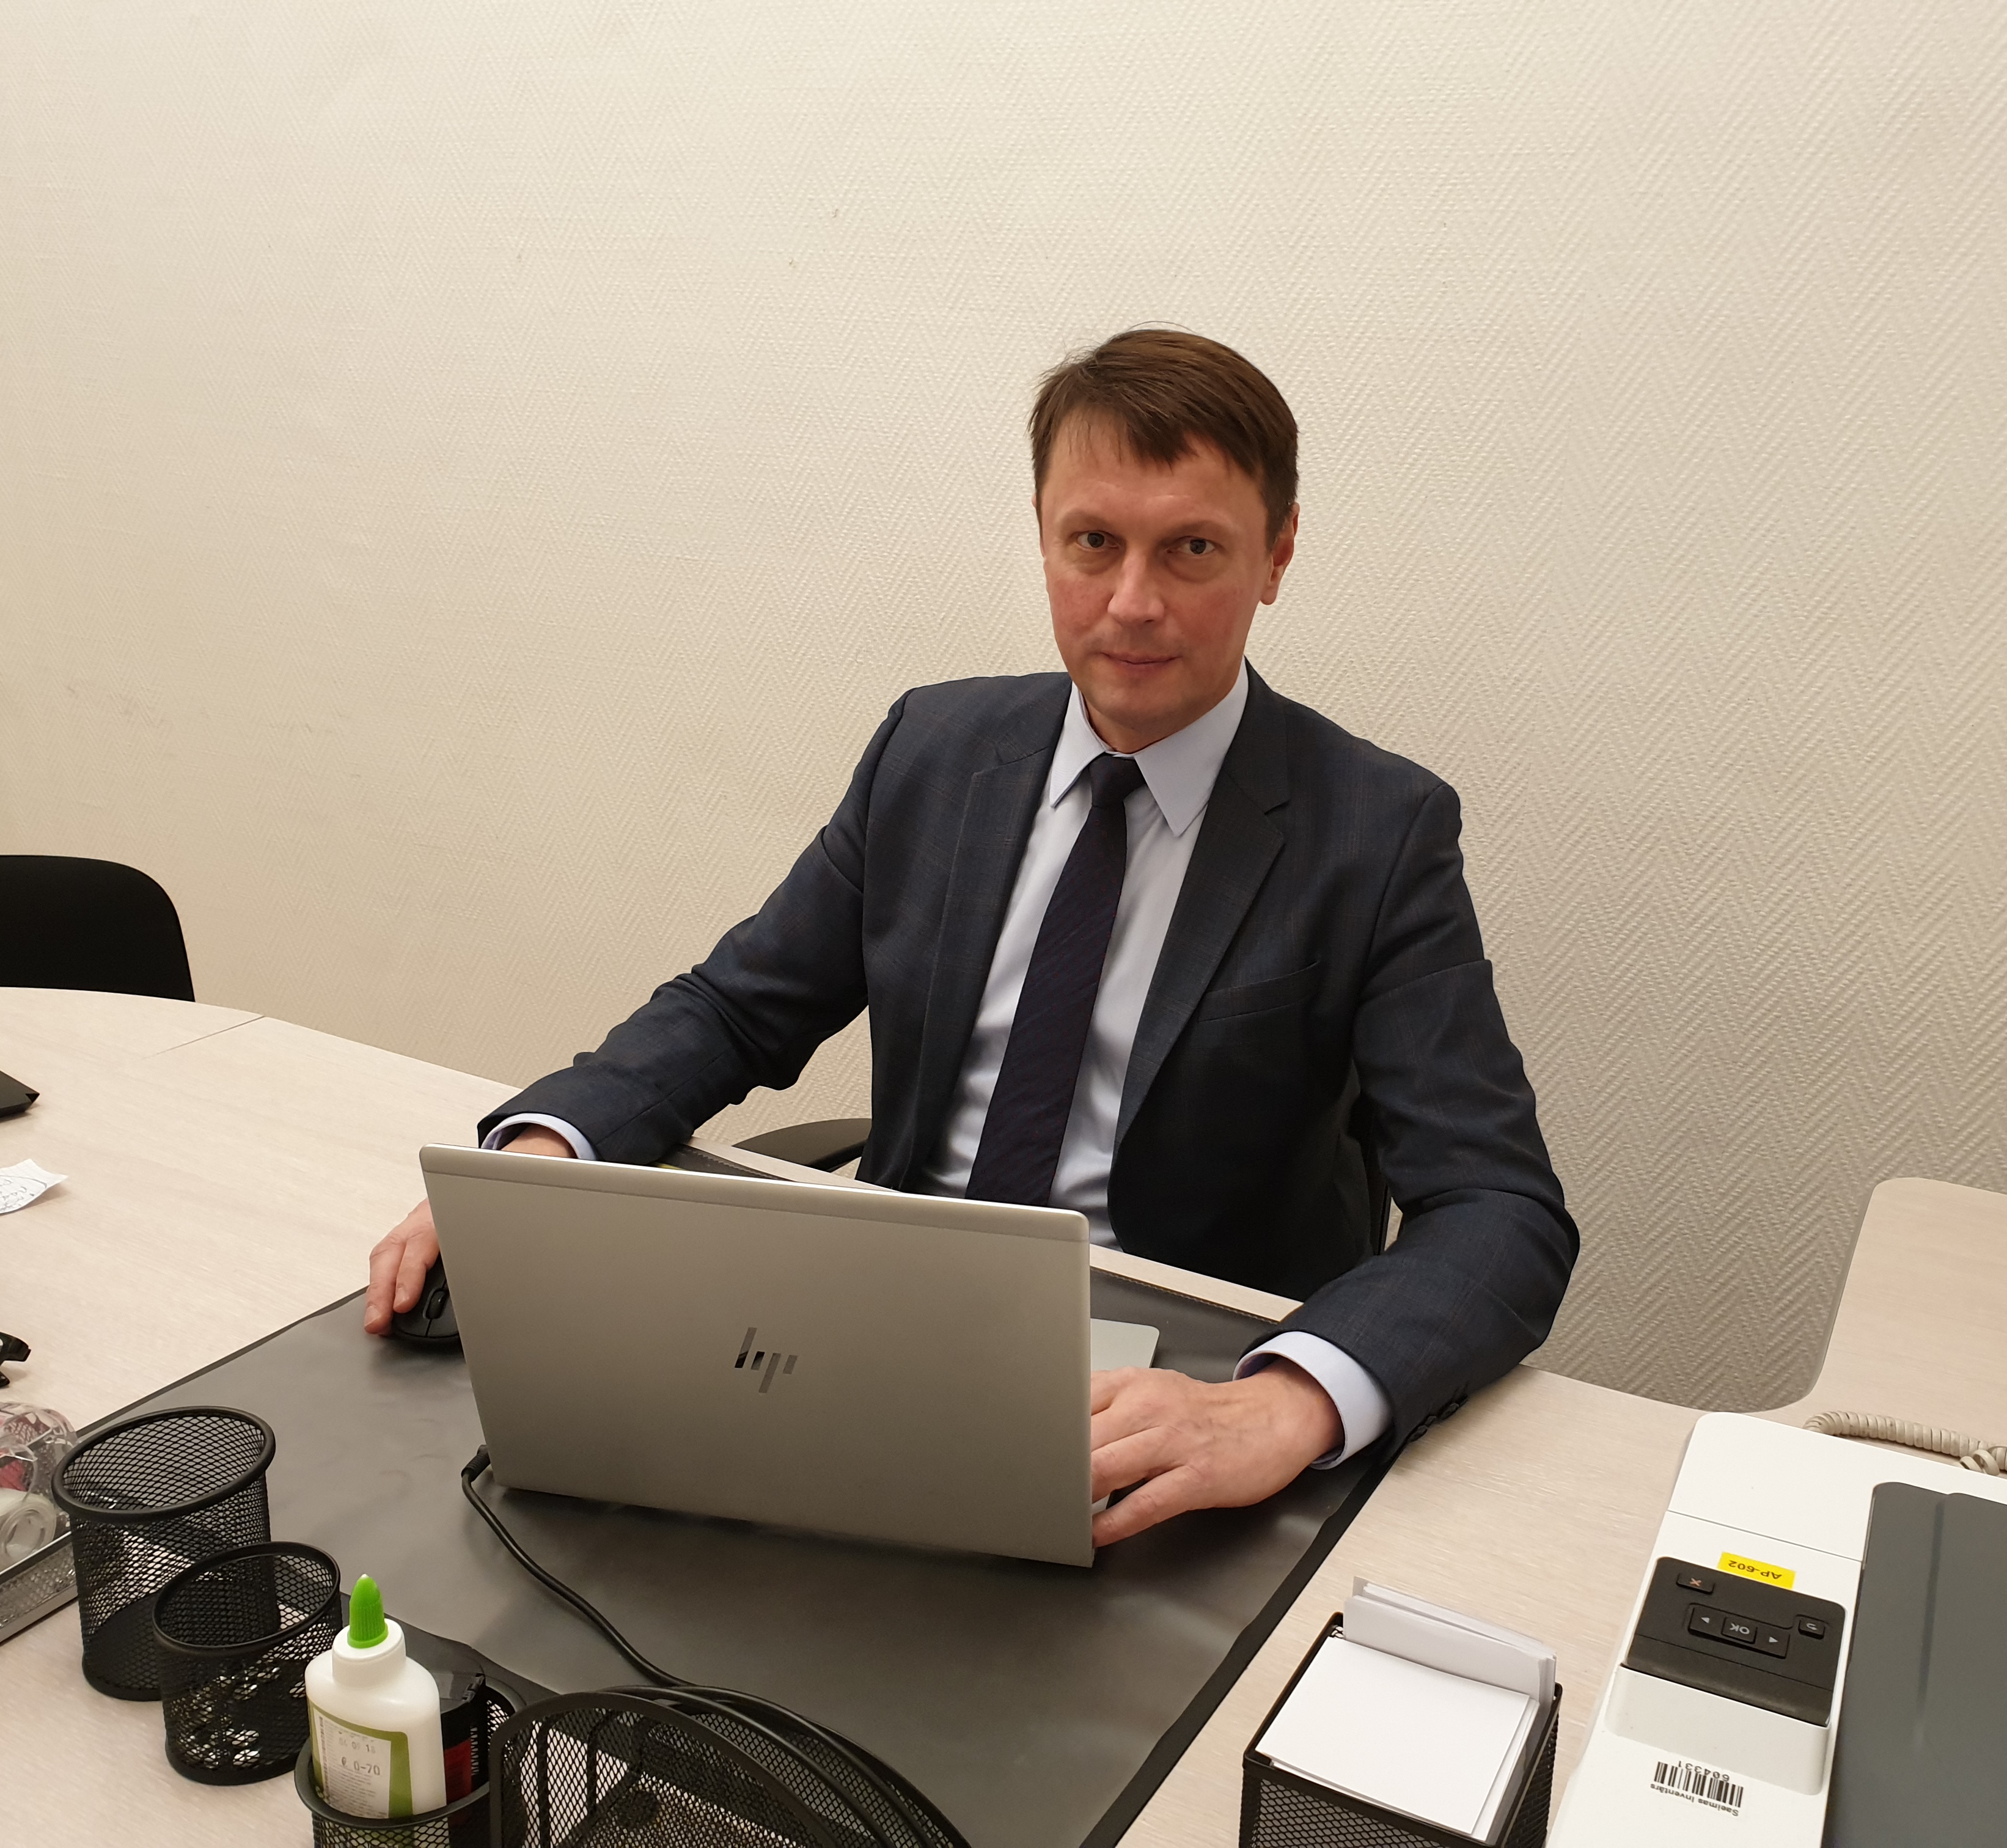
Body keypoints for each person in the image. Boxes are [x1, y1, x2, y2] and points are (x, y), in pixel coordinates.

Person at [367, 329, 1576, 1545]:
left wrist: (1282, 1402)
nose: (1133, 602)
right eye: (1093, 543)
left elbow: (1498, 1207)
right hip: (886, 1328)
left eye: (1193, 549)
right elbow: (737, 1008)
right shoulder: (935, 752)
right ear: (1044, 535)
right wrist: (541, 1163)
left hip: (1175, 1376)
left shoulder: (1373, 831)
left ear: (1279, 552)